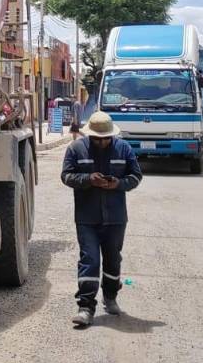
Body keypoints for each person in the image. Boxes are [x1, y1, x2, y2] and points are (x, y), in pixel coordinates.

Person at [60, 111, 143, 328]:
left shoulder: (123, 148)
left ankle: (111, 296)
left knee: (112, 259)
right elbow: (66, 176)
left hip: (116, 218)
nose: (102, 142)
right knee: (90, 260)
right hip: (87, 218)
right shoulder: (76, 149)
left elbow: (135, 176)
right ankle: (85, 307)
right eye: (98, 138)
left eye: (106, 138)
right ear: (91, 136)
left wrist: (118, 183)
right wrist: (88, 179)